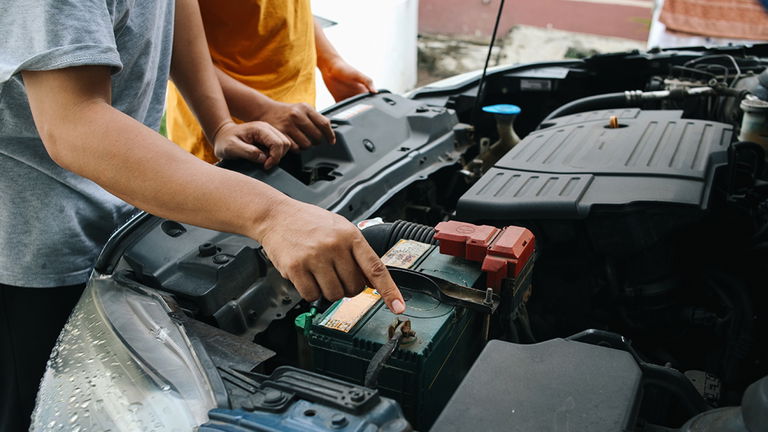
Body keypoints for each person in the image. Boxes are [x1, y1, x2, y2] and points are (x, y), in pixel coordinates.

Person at [0, 1, 405, 430]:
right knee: (42, 410)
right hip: (38, 246)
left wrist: (218, 125)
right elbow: (73, 125)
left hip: (122, 211)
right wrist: (272, 215)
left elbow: (174, 8)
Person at [166, 0, 376, 163]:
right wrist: (258, 112)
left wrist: (329, 61)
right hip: (233, 138)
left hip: (295, 122)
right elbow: (168, 42)